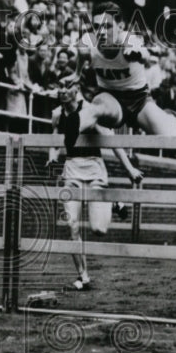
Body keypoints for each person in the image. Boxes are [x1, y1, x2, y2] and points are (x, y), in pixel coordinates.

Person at [59, 1, 176, 150]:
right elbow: (82, 56)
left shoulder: (128, 39)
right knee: (96, 108)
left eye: (107, 26)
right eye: (97, 27)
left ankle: (169, 117)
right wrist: (77, 74)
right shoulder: (87, 43)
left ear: (120, 27)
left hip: (139, 101)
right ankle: (72, 129)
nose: (101, 32)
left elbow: (145, 55)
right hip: (110, 97)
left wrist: (137, 54)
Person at [48, 94, 143, 290]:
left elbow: (112, 142)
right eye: (60, 86)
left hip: (93, 170)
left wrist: (130, 169)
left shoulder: (91, 112)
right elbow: (55, 140)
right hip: (72, 171)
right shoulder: (57, 114)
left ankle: (112, 203)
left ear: (76, 89)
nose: (63, 91)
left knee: (99, 230)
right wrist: (53, 156)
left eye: (68, 86)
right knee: (71, 225)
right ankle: (83, 277)